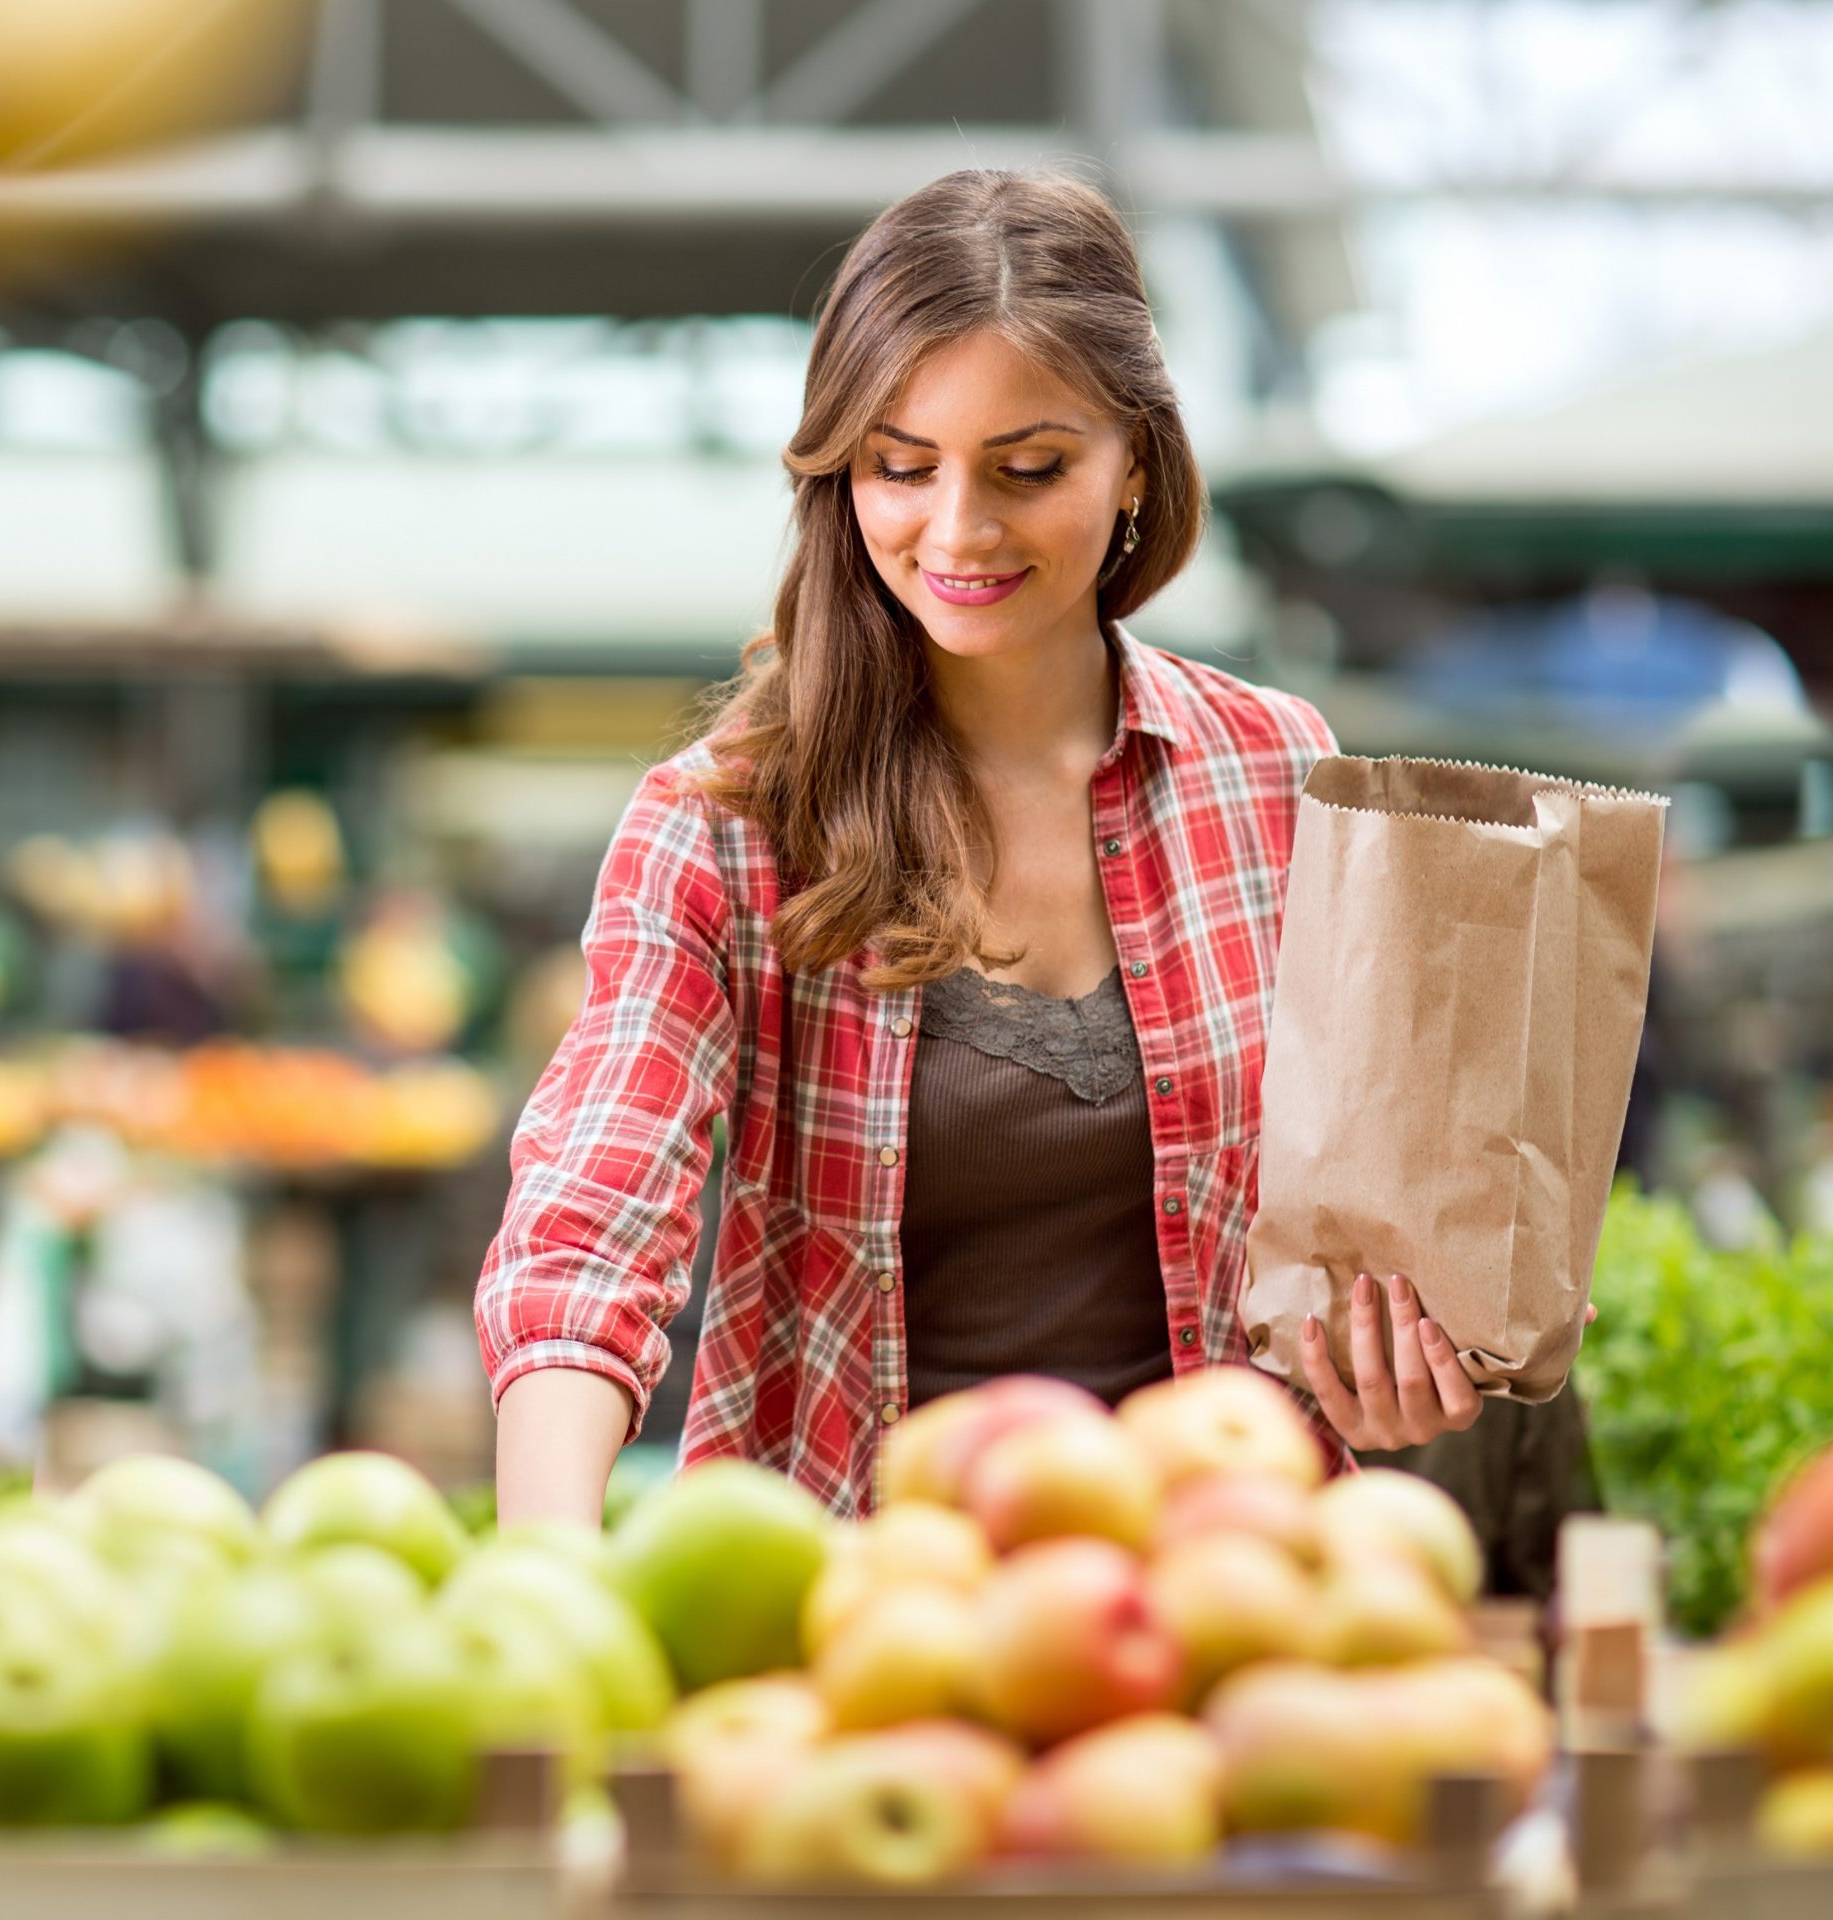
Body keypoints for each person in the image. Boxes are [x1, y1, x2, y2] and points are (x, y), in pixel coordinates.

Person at [475, 170, 1488, 1527]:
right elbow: (594, 1207)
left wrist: (1408, 1353)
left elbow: (1378, 1218)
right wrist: (550, 1551)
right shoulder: (727, 821)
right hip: (861, 1610)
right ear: (841, 469)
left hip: (1223, 1590)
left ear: (1135, 456)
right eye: (901, 466)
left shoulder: (1274, 773)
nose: (956, 530)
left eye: (1030, 468)